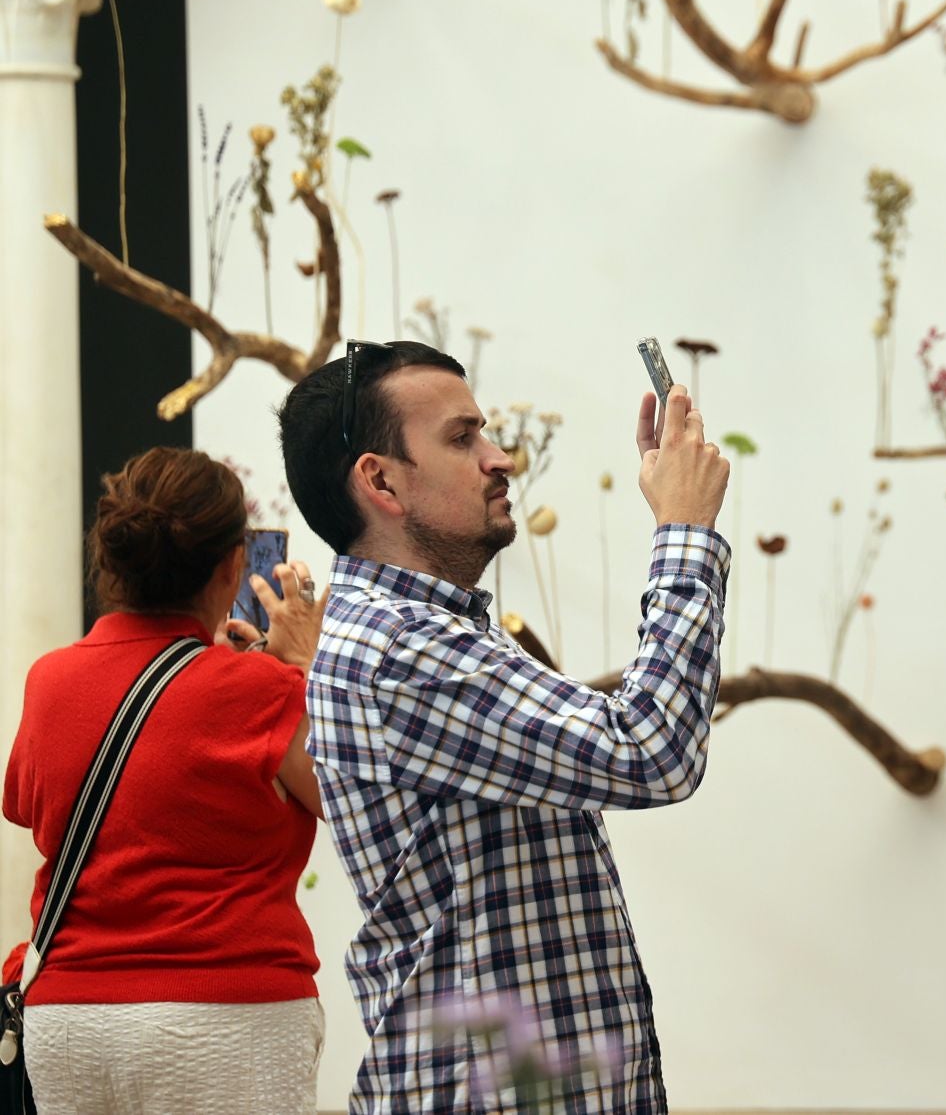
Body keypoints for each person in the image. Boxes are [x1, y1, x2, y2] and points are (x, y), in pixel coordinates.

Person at [279, 339, 730, 1113]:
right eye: (463, 438)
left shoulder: (428, 627)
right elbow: (652, 750)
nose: (501, 459)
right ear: (379, 479)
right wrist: (684, 529)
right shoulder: (403, 649)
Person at [2, 446, 328, 1114]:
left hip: (70, 1019)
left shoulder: (50, 680)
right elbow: (351, 802)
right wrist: (304, 668)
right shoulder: (264, 689)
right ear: (234, 564)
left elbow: (32, 810)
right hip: (227, 1016)